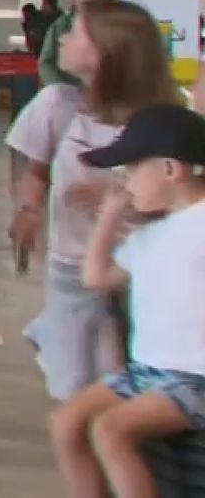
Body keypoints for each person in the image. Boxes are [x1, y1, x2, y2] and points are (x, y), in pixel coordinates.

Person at [8, 0, 182, 402]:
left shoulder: (162, 120)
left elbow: (182, 198)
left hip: (142, 274)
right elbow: (36, 171)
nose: (63, 38)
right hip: (73, 270)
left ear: (107, 50)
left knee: (133, 395)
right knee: (78, 395)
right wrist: (29, 210)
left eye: (77, 32)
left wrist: (115, 196)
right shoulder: (56, 104)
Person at [50, 104, 205, 498]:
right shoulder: (149, 239)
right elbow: (96, 277)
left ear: (172, 169)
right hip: (146, 372)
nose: (124, 182)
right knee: (66, 421)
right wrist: (109, 215)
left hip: (194, 378)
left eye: (133, 170)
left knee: (111, 430)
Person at [42, 0, 102, 87]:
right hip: (68, 86)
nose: (64, 40)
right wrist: (59, 87)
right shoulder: (61, 24)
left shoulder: (107, 22)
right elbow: (46, 62)